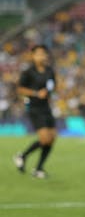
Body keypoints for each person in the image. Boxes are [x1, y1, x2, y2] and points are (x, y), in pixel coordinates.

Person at [12, 44, 57, 179]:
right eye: (38, 54)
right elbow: (19, 89)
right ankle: (23, 156)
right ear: (33, 56)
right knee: (44, 138)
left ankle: (38, 168)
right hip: (34, 108)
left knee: (52, 138)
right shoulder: (28, 72)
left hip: (46, 107)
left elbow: (52, 86)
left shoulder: (50, 71)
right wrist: (36, 93)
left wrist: (49, 92)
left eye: (44, 53)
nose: (42, 56)